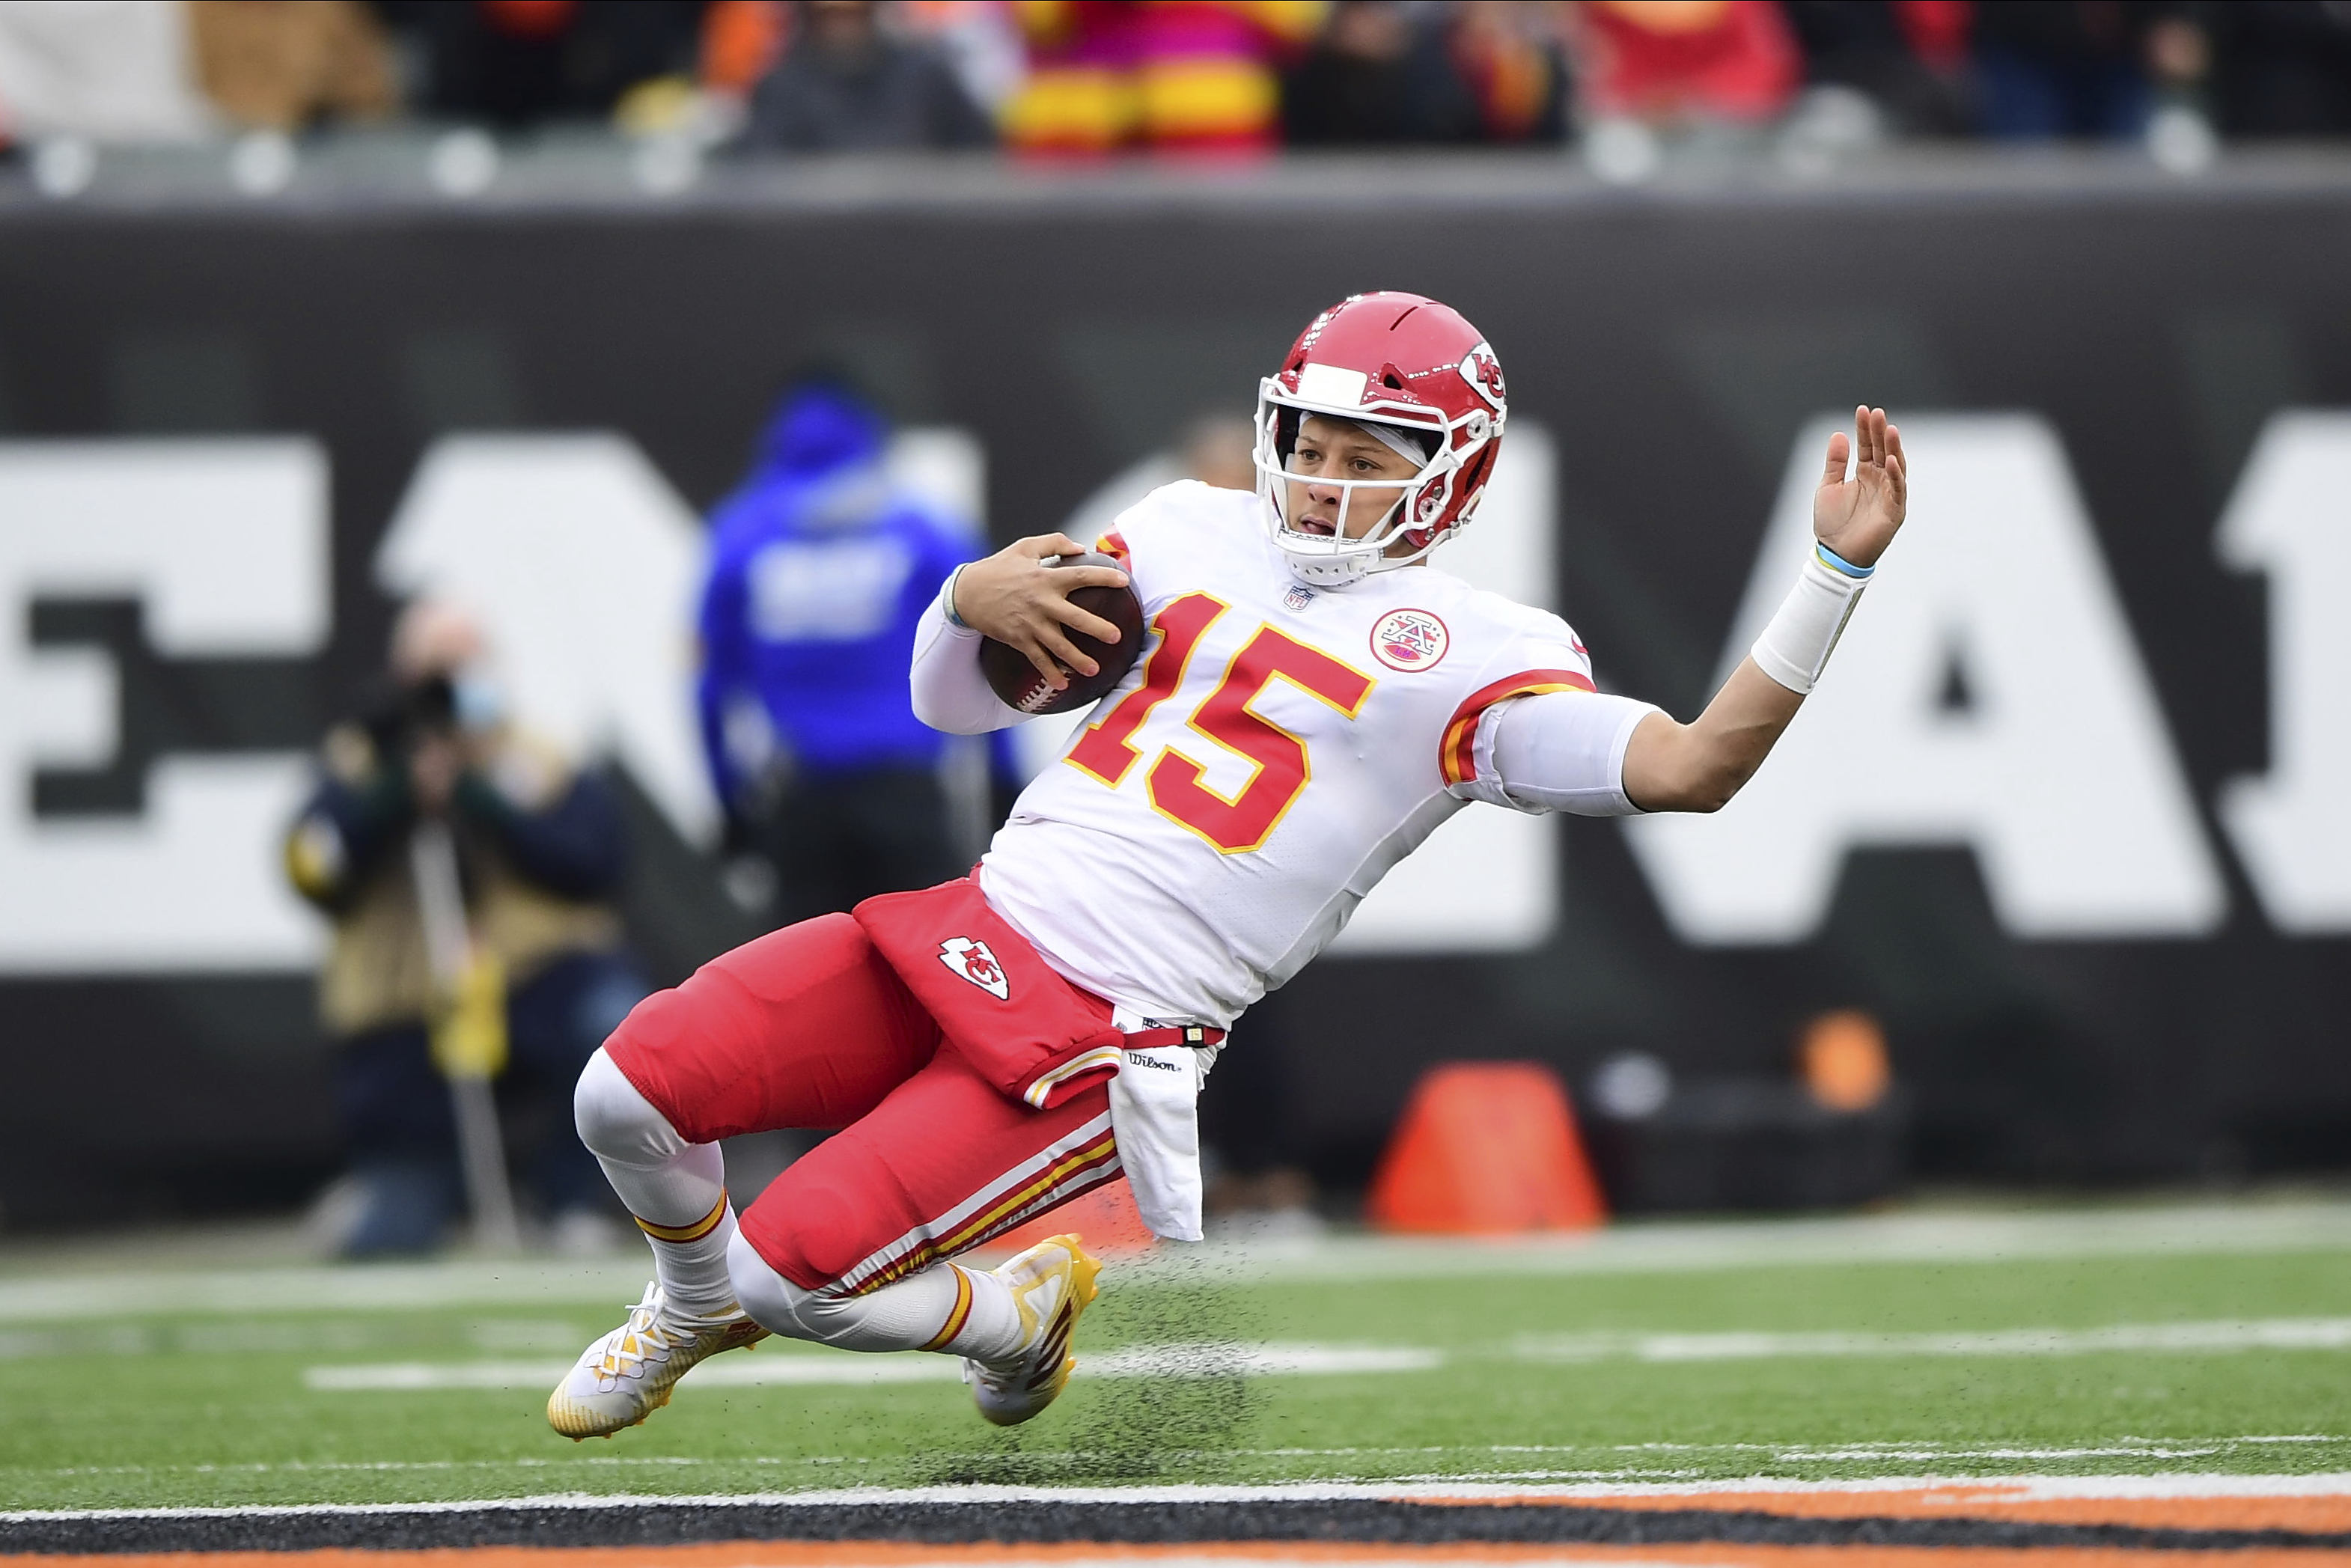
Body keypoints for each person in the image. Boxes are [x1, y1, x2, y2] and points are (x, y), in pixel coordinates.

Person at [546, 293, 1908, 1439]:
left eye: (1370, 451)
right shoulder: (1189, 529)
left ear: (1457, 470)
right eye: (1309, 439)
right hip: (965, 922)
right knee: (623, 1098)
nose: (1323, 474)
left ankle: (1015, 1317)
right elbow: (954, 708)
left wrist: (1832, 577)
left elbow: (1692, 766)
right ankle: (684, 1301)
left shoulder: (1481, 651)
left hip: (1100, 1036)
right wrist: (963, 600)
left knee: (802, 1280)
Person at [286, 600, 647, 1256]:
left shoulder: (534, 757)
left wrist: (483, 800)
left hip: (531, 985)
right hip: (412, 1014)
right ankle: (383, 1192)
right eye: (435, 666)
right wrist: (393, 794)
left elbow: (596, 862)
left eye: (465, 662)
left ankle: (566, 1197)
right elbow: (313, 871)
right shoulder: (357, 761)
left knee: (609, 1019)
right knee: (391, 1236)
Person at [695, 375, 984, 927]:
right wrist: (1002, 781)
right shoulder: (920, 529)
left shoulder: (741, 535)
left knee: (807, 995)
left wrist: (730, 807)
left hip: (803, 802)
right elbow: (989, 653)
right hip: (908, 798)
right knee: (937, 986)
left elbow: (711, 693)